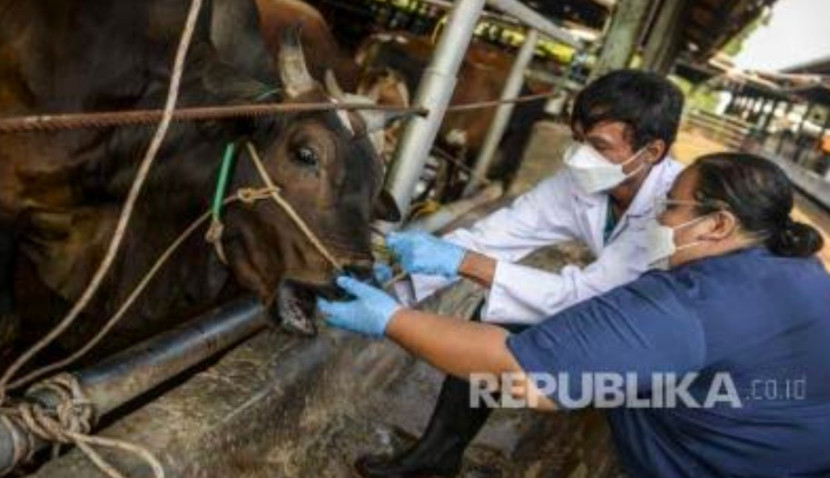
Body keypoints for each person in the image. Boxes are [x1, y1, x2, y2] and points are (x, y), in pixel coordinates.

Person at [319, 152, 830, 477]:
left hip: (727, 463)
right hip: (792, 447)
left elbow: (527, 381)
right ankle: (439, 455)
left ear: (717, 224)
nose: (660, 217)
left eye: (671, 207)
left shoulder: (688, 302)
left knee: (515, 362)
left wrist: (390, 319)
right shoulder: (798, 267)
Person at [358, 69, 685, 477]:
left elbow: (588, 297)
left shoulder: (674, 208)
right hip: (615, 311)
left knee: (508, 336)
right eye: (579, 139)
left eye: (599, 145)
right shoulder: (582, 181)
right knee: (495, 317)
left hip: (662, 339)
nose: (581, 156)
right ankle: (436, 457)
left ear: (652, 151)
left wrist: (459, 265)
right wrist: (395, 290)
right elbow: (499, 234)